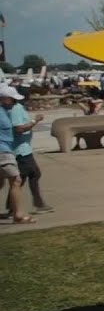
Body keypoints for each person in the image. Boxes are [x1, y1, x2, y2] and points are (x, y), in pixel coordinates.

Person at [2, 85, 52, 213]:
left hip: (22, 148)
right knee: (24, 177)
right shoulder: (16, 109)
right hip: (20, 149)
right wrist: (35, 120)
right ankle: (23, 206)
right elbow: (19, 128)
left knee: (27, 176)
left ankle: (17, 206)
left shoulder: (13, 108)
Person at [0, 86, 33, 224]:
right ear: (4, 99)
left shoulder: (6, 111)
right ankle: (18, 215)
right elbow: (18, 129)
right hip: (3, 151)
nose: (15, 102)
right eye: (12, 99)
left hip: (7, 149)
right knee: (16, 180)